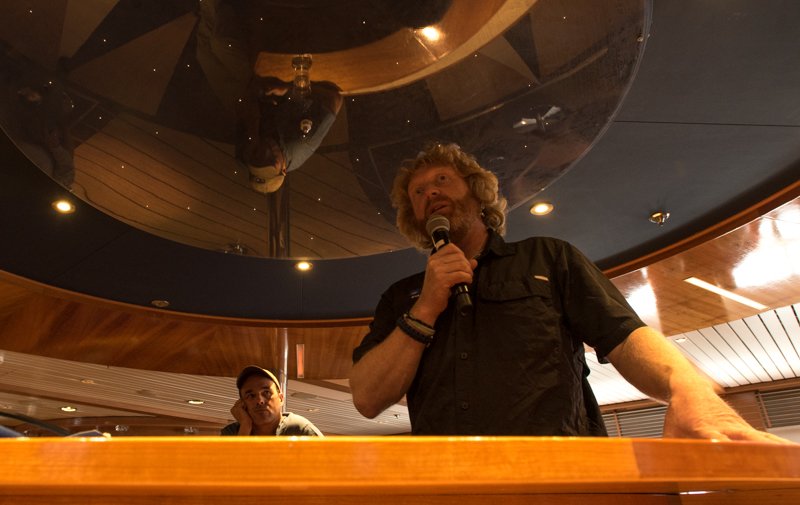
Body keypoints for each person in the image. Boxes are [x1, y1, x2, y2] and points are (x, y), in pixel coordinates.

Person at [349, 142, 790, 442]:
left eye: (442, 180)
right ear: (415, 216)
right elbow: (367, 398)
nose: (430, 193)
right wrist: (426, 308)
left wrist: (685, 387)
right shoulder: (400, 297)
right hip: (450, 488)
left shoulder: (549, 258)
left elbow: (623, 335)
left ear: (477, 193)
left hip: (563, 480)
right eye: (418, 192)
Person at [221, 365, 324, 436]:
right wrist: (245, 426)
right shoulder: (232, 432)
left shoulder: (300, 429)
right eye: (251, 395)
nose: (260, 400)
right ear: (242, 404)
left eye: (266, 393)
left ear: (281, 398)